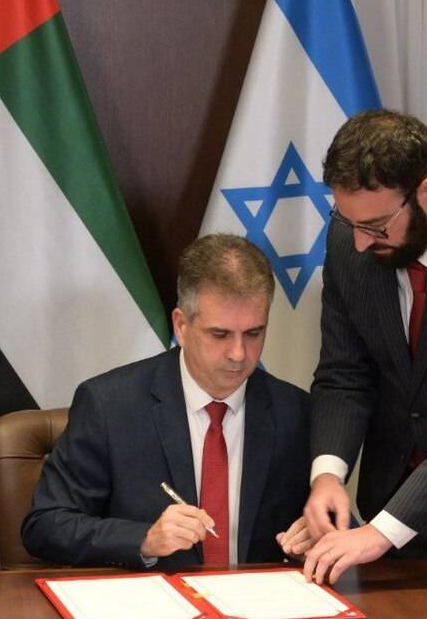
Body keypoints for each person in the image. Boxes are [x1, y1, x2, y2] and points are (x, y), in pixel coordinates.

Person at [22, 234, 314, 569]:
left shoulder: (295, 411)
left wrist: (314, 537)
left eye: (253, 333)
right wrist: (144, 539)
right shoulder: (110, 405)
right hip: (149, 609)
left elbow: (328, 521)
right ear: (182, 325)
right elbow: (44, 525)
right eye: (219, 334)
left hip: (260, 612)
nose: (239, 354)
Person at [304, 109, 427, 583]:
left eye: (376, 226)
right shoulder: (350, 240)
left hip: (394, 525)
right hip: (391, 517)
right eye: (347, 221)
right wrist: (328, 474)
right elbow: (344, 373)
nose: (362, 244)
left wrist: (381, 532)